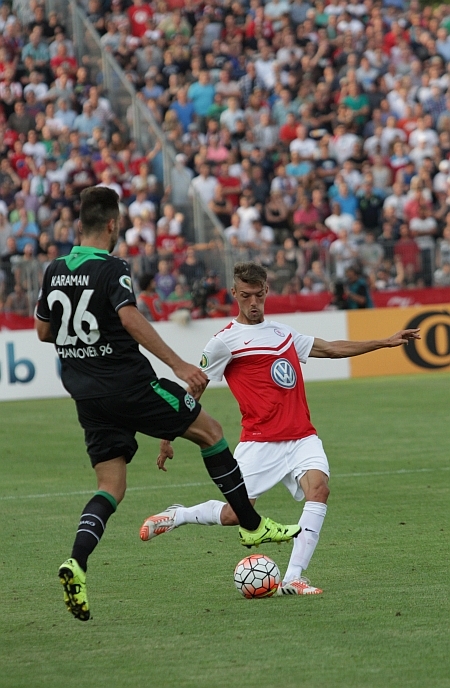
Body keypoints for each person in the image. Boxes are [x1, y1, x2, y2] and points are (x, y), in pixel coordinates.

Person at [34, 190, 300, 621]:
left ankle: (76, 562)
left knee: (110, 486)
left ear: (79, 223)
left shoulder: (54, 270)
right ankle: (253, 526)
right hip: (130, 385)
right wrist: (178, 365)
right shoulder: (113, 268)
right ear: (113, 225)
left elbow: (44, 331)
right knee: (211, 433)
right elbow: (129, 317)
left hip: (87, 395)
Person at [142, 262, 420, 596]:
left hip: (302, 436)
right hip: (260, 442)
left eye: (259, 295)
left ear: (266, 291)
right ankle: (179, 516)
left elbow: (331, 349)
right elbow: (195, 388)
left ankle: (293, 578)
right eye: (246, 296)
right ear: (234, 294)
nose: (253, 302)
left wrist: (385, 342)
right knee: (234, 515)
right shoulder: (223, 342)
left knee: (319, 489)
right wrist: (167, 436)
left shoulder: (283, 333)